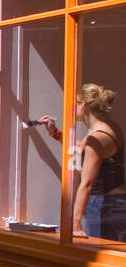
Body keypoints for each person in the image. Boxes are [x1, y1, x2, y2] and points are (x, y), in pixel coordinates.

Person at [40, 83, 126, 240]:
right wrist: (55, 132)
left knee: (99, 255)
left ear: (83, 105)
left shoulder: (96, 138)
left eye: (75, 103)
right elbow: (85, 149)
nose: (71, 107)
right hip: (115, 201)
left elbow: (86, 184)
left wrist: (75, 223)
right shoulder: (110, 128)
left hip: (102, 205)